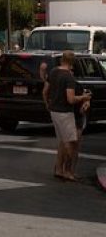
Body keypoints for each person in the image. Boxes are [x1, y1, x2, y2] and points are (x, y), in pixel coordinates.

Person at [43, 50, 91, 181]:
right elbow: (70, 99)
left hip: (54, 111)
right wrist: (83, 97)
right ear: (72, 62)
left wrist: (47, 104)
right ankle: (68, 171)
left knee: (63, 142)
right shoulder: (68, 77)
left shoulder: (53, 72)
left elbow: (45, 91)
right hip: (65, 112)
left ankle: (58, 169)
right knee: (71, 143)